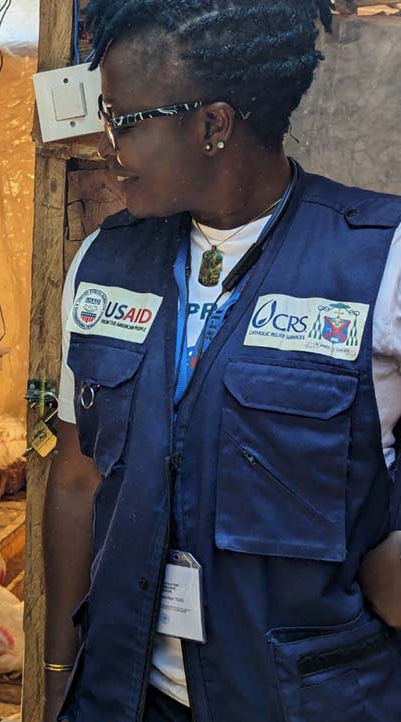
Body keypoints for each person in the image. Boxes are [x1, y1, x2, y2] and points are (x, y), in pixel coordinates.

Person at [43, 2, 401, 721]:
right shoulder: (103, 264)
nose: (110, 146)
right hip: (132, 699)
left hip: (306, 700)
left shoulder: (380, 262)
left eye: (127, 120)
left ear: (211, 124)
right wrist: (58, 671)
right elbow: (78, 476)